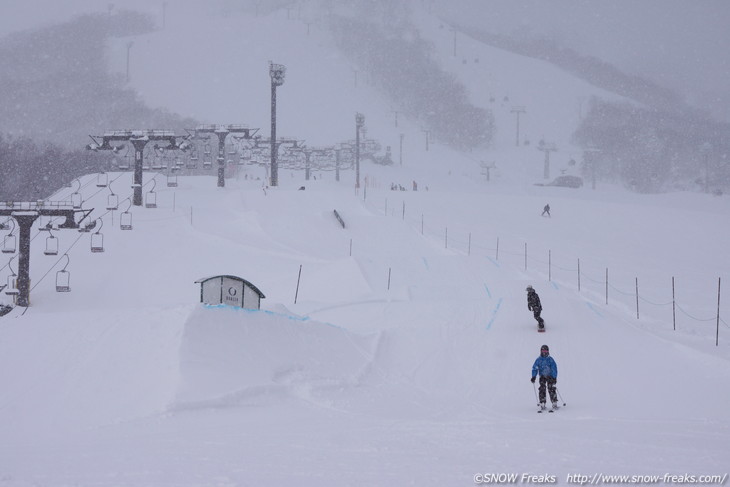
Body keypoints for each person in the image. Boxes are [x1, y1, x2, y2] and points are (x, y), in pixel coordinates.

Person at [531, 344, 558, 409]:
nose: (544, 353)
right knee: (542, 388)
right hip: (542, 376)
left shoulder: (550, 359)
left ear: (548, 352)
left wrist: (554, 377)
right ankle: (542, 402)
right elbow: (535, 368)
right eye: (543, 351)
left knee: (551, 388)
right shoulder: (539, 359)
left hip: (550, 376)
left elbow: (554, 368)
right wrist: (534, 376)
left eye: (545, 351)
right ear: (540, 351)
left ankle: (554, 402)